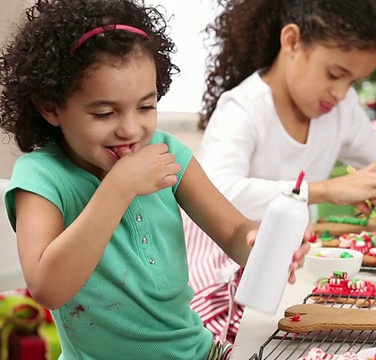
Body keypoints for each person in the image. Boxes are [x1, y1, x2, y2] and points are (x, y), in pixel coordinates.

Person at [0, 0, 310, 359]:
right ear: (51, 107)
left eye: (146, 107)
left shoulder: (168, 153)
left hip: (201, 353)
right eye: (104, 112)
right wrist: (119, 187)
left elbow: (232, 232)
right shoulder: (41, 179)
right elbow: (48, 288)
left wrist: (262, 245)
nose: (131, 129)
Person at [182, 0, 376, 343]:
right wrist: (328, 190)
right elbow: (216, 192)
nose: (341, 94)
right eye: (334, 74)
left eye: (353, 81)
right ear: (292, 41)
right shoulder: (244, 108)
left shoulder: (339, 111)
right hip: (219, 286)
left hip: (290, 274)